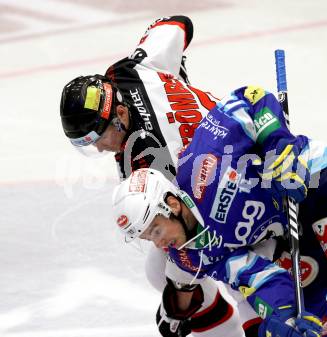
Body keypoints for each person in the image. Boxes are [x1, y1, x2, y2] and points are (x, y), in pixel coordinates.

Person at [112, 85, 327, 337]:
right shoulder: (194, 254)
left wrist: (277, 147)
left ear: (173, 205)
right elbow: (255, 276)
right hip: (293, 228)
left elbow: (252, 97)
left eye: (155, 229)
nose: (158, 244)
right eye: (147, 236)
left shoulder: (202, 164)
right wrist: (280, 314)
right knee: (307, 319)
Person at [60, 16, 246, 337]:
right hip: (239, 135)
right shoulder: (129, 73)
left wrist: (177, 305)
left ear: (119, 115)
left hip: (236, 192)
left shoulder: (154, 164)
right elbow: (176, 24)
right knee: (160, 268)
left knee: (230, 276)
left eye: (97, 138)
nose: (102, 149)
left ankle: (231, 324)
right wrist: (175, 82)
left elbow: (184, 234)